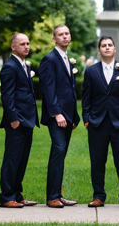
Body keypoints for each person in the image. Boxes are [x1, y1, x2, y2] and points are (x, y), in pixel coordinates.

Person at [82, 36, 119, 207]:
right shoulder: (90, 71)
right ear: (99, 50)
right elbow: (86, 98)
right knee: (97, 161)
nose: (106, 48)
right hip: (97, 123)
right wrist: (87, 119)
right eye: (103, 45)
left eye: (109, 45)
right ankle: (98, 196)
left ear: (114, 49)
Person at [39, 24, 81, 208]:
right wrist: (57, 114)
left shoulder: (66, 59)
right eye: (60, 34)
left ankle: (57, 193)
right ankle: (52, 197)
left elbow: (69, 90)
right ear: (54, 39)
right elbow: (48, 89)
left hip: (67, 116)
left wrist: (73, 116)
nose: (65, 36)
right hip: (57, 116)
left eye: (67, 33)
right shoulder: (49, 59)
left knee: (60, 154)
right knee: (58, 150)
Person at [0, 33, 39, 208]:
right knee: (12, 159)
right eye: (22, 44)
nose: (27, 46)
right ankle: (7, 196)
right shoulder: (10, 67)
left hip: (27, 121)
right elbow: (7, 96)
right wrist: (13, 119)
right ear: (13, 47)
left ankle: (17, 194)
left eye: (28, 43)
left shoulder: (22, 65)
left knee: (22, 160)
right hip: (17, 122)